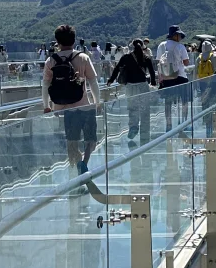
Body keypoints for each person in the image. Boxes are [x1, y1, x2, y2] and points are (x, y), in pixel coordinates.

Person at [42, 24, 99, 174]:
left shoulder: (51, 61)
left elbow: (46, 85)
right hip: (84, 105)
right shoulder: (82, 57)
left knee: (72, 142)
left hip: (63, 108)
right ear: (74, 40)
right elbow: (93, 81)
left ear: (57, 42)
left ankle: (77, 167)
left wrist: (46, 105)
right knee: (91, 139)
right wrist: (97, 102)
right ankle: (84, 163)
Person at [108, 38, 157, 145]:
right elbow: (152, 72)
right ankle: (144, 134)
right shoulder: (146, 57)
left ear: (131, 46)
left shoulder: (126, 57)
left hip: (130, 86)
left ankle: (133, 128)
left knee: (132, 109)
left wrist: (111, 80)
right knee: (145, 110)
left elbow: (117, 69)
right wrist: (153, 82)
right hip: (143, 86)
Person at [156, 25, 190, 129]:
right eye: (179, 35)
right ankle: (184, 122)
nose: (180, 37)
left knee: (168, 102)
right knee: (184, 100)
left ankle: (169, 124)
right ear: (175, 35)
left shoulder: (161, 45)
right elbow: (186, 62)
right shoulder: (180, 46)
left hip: (166, 77)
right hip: (180, 76)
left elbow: (158, 61)